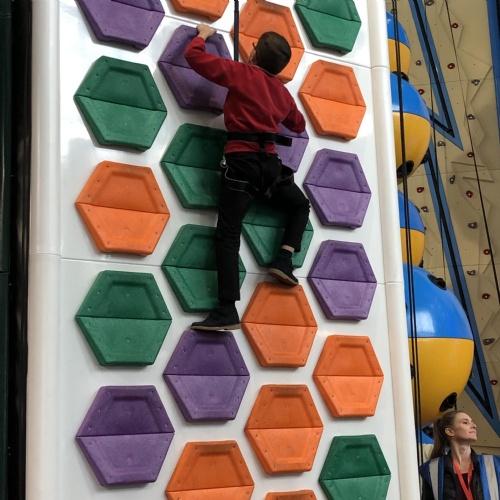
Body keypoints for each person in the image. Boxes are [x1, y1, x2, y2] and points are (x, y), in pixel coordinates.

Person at [184, 24, 310, 331]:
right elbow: (298, 124)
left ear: (253, 53)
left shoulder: (241, 73)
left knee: (228, 234)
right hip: (271, 167)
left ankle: (227, 310)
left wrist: (202, 35)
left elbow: (194, 58)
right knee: (299, 205)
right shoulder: (282, 92)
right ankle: (284, 259)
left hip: (242, 163)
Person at [419, 410, 500, 499]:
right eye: (465, 422)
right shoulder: (431, 469)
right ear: (450, 431)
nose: (474, 425)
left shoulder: (495, 463)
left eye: (472, 422)